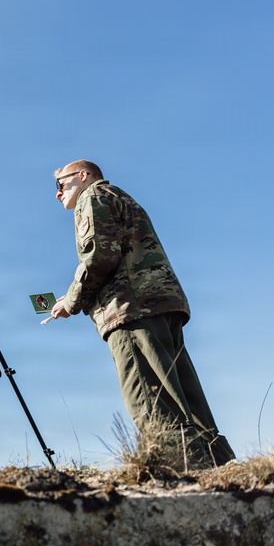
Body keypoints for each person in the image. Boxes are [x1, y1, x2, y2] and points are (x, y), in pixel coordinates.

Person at [50, 160, 235, 468]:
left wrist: (70, 302)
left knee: (150, 396)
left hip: (131, 309)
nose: (57, 194)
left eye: (60, 185)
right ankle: (223, 469)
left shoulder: (92, 197)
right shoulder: (120, 198)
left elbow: (99, 257)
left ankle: (182, 471)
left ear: (83, 176)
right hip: (160, 303)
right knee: (185, 396)